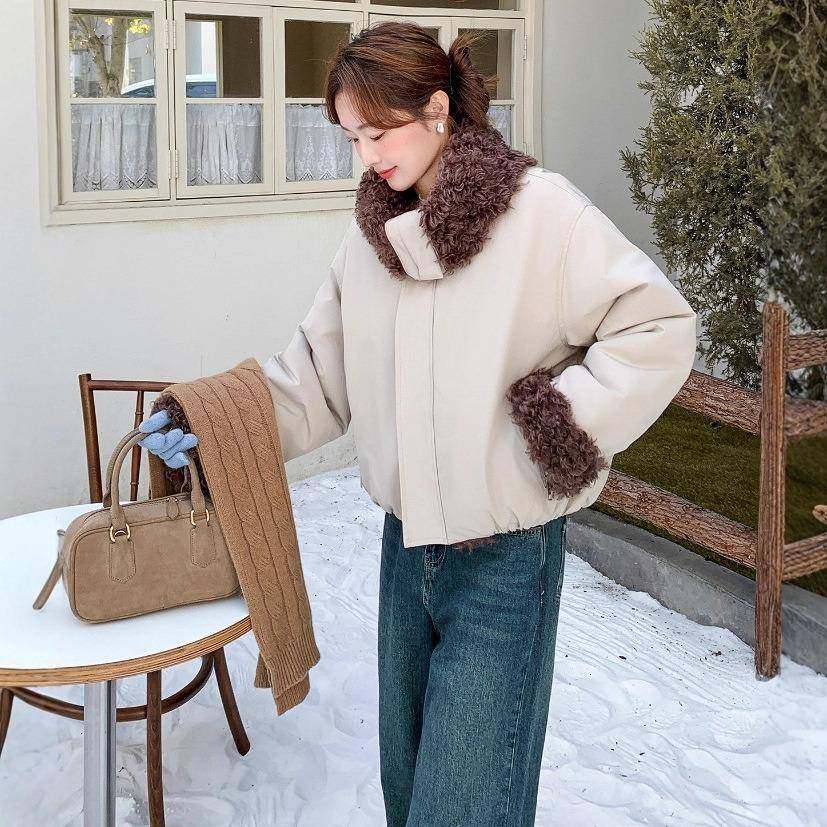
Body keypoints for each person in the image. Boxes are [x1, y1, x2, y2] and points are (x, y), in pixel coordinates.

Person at [141, 21, 698, 826]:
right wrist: (210, 422)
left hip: (506, 558)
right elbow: (315, 378)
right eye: (350, 137)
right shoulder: (371, 243)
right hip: (404, 554)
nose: (365, 156)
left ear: (437, 109)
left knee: (464, 805)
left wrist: (554, 427)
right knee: (408, 791)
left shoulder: (542, 213)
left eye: (377, 131)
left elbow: (658, 327)